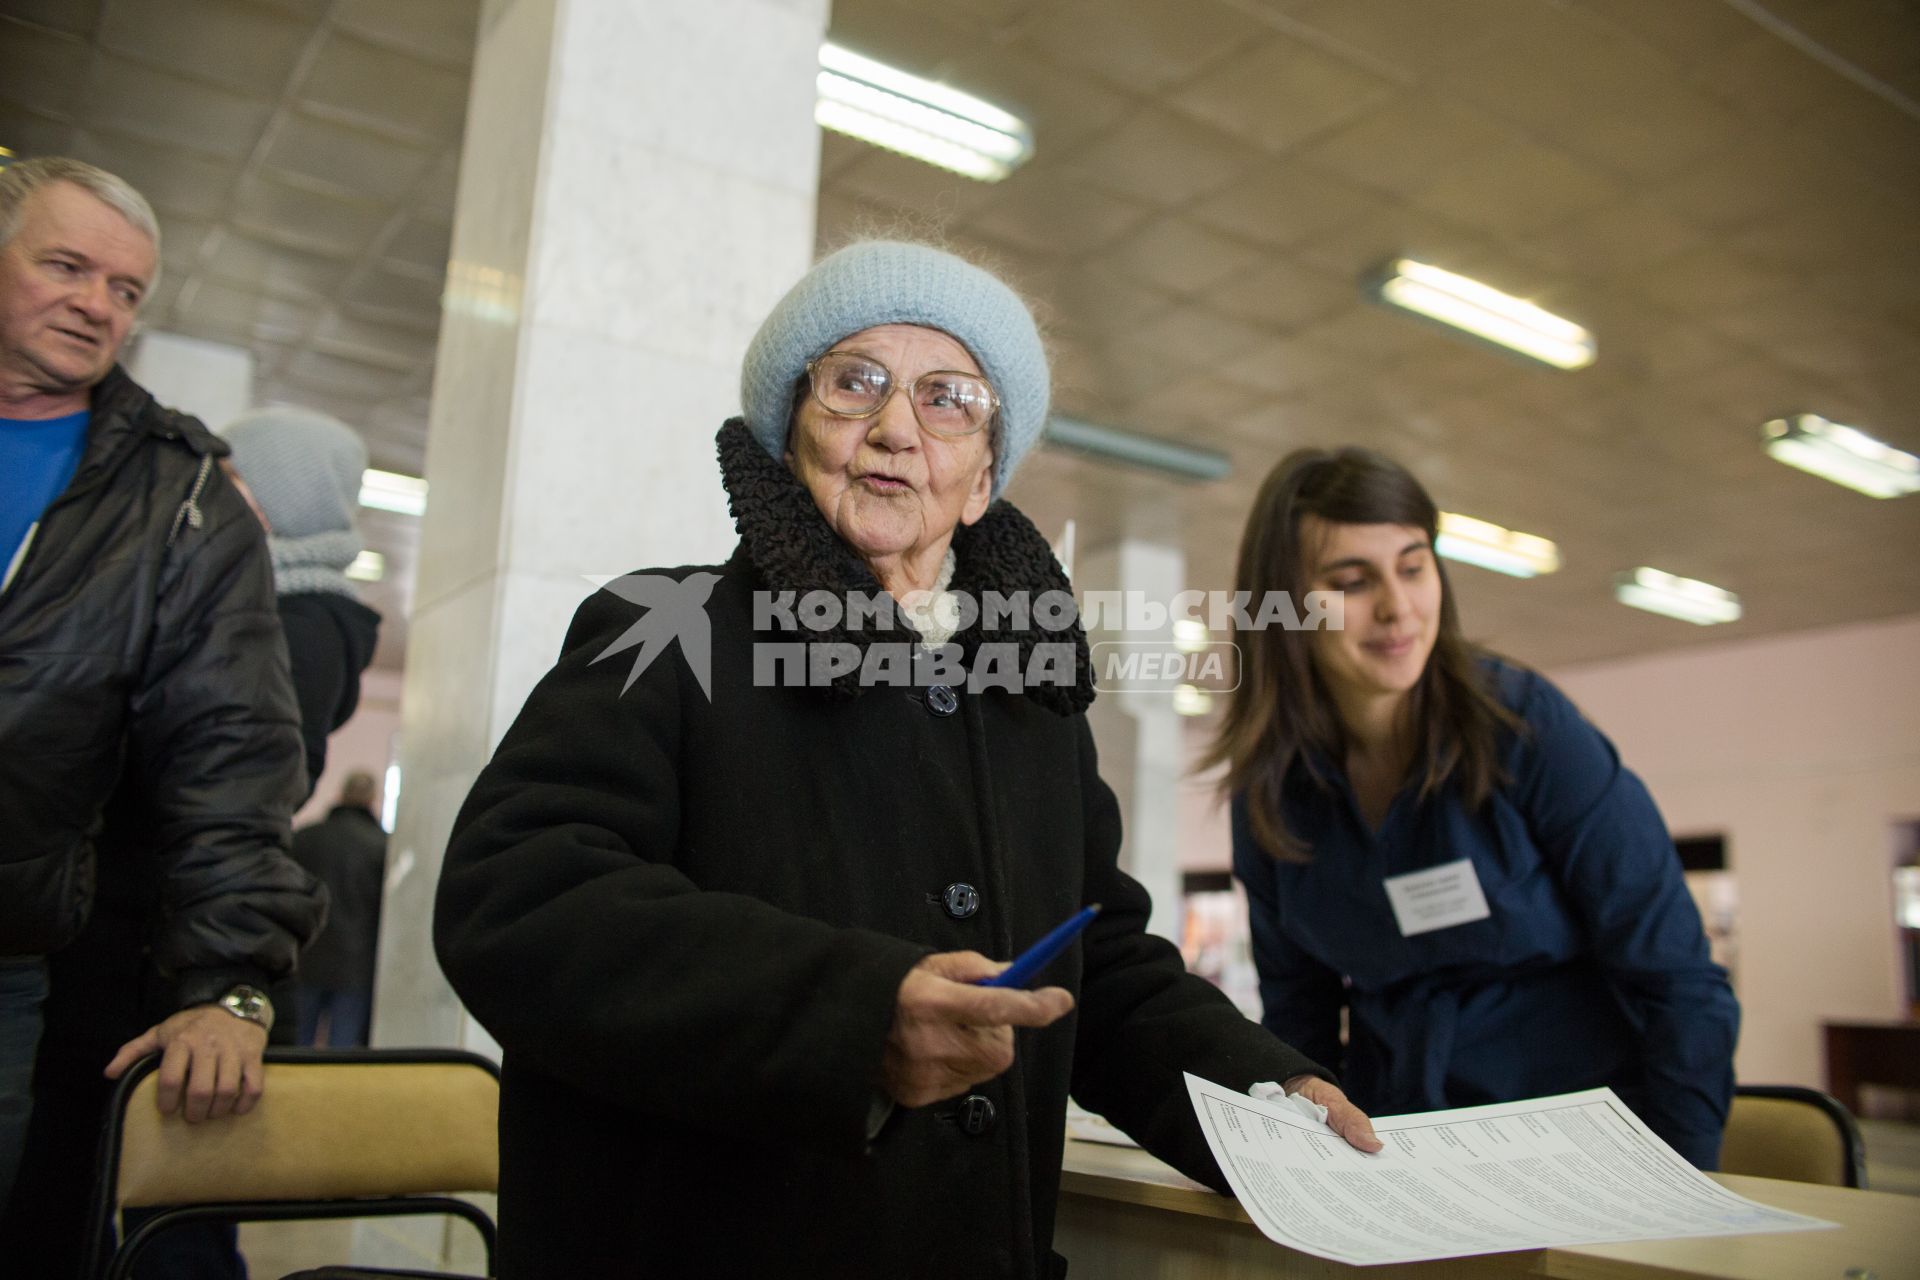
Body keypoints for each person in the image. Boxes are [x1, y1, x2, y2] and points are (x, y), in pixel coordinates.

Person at [433, 240, 1380, 1279]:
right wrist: (851, 1016)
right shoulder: (664, 629)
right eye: (855, 383)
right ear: (791, 426)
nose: (894, 428)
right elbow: (517, 897)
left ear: (984, 479)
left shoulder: (1030, 703)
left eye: (948, 399)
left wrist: (1269, 1091)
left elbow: (1096, 966)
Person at [1208, 445, 1740, 1169]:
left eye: (1413, 564)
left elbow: (1678, 980)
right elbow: (1299, 1022)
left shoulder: (1526, 728)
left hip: (1592, 1148)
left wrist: (1682, 1183)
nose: (1398, 607)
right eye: (1352, 581)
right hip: (1403, 1155)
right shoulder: (1272, 796)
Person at [0, 157, 325, 1239]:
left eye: (127, 289)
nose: (98, 303)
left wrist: (229, 976)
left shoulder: (178, 493)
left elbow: (232, 745)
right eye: (67, 266)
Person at [222, 404, 383, 795]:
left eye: (229, 480)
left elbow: (266, 788)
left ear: (274, 504)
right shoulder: (246, 600)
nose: (210, 496)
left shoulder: (303, 627)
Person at [291, 772, 388, 1047]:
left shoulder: (305, 838)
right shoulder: (381, 846)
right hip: (357, 963)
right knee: (342, 1052)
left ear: (340, 794)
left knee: (297, 1048)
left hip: (305, 956)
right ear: (372, 799)